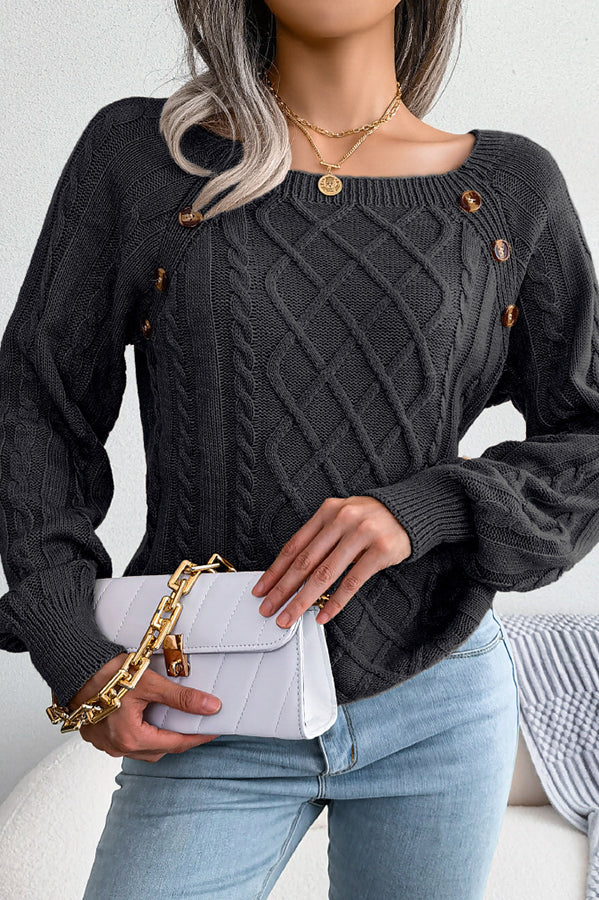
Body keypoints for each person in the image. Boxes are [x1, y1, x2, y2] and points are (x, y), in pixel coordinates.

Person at [1, 1, 598, 897]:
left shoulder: (509, 190)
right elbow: (35, 408)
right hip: (210, 702)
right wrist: (72, 649)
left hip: (438, 704)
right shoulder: (143, 161)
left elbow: (587, 435)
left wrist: (426, 508)